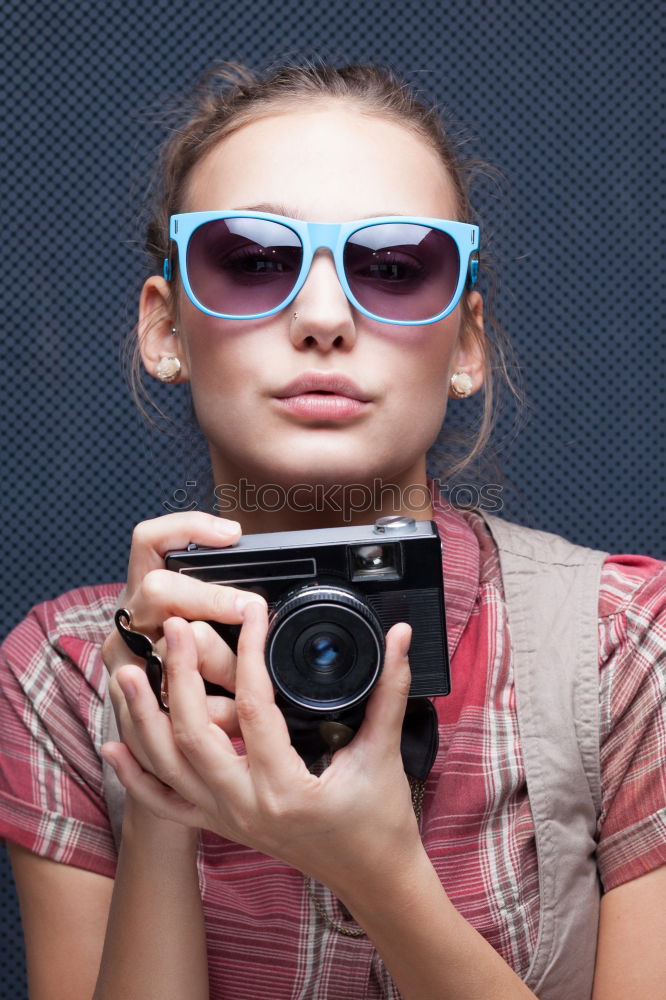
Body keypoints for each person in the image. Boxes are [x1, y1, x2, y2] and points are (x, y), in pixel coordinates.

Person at [0, 61, 664, 1000]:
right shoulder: (63, 675)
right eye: (253, 260)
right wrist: (160, 805)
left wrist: (379, 872)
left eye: (395, 268)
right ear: (166, 330)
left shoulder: (622, 647)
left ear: (467, 344)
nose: (321, 318)